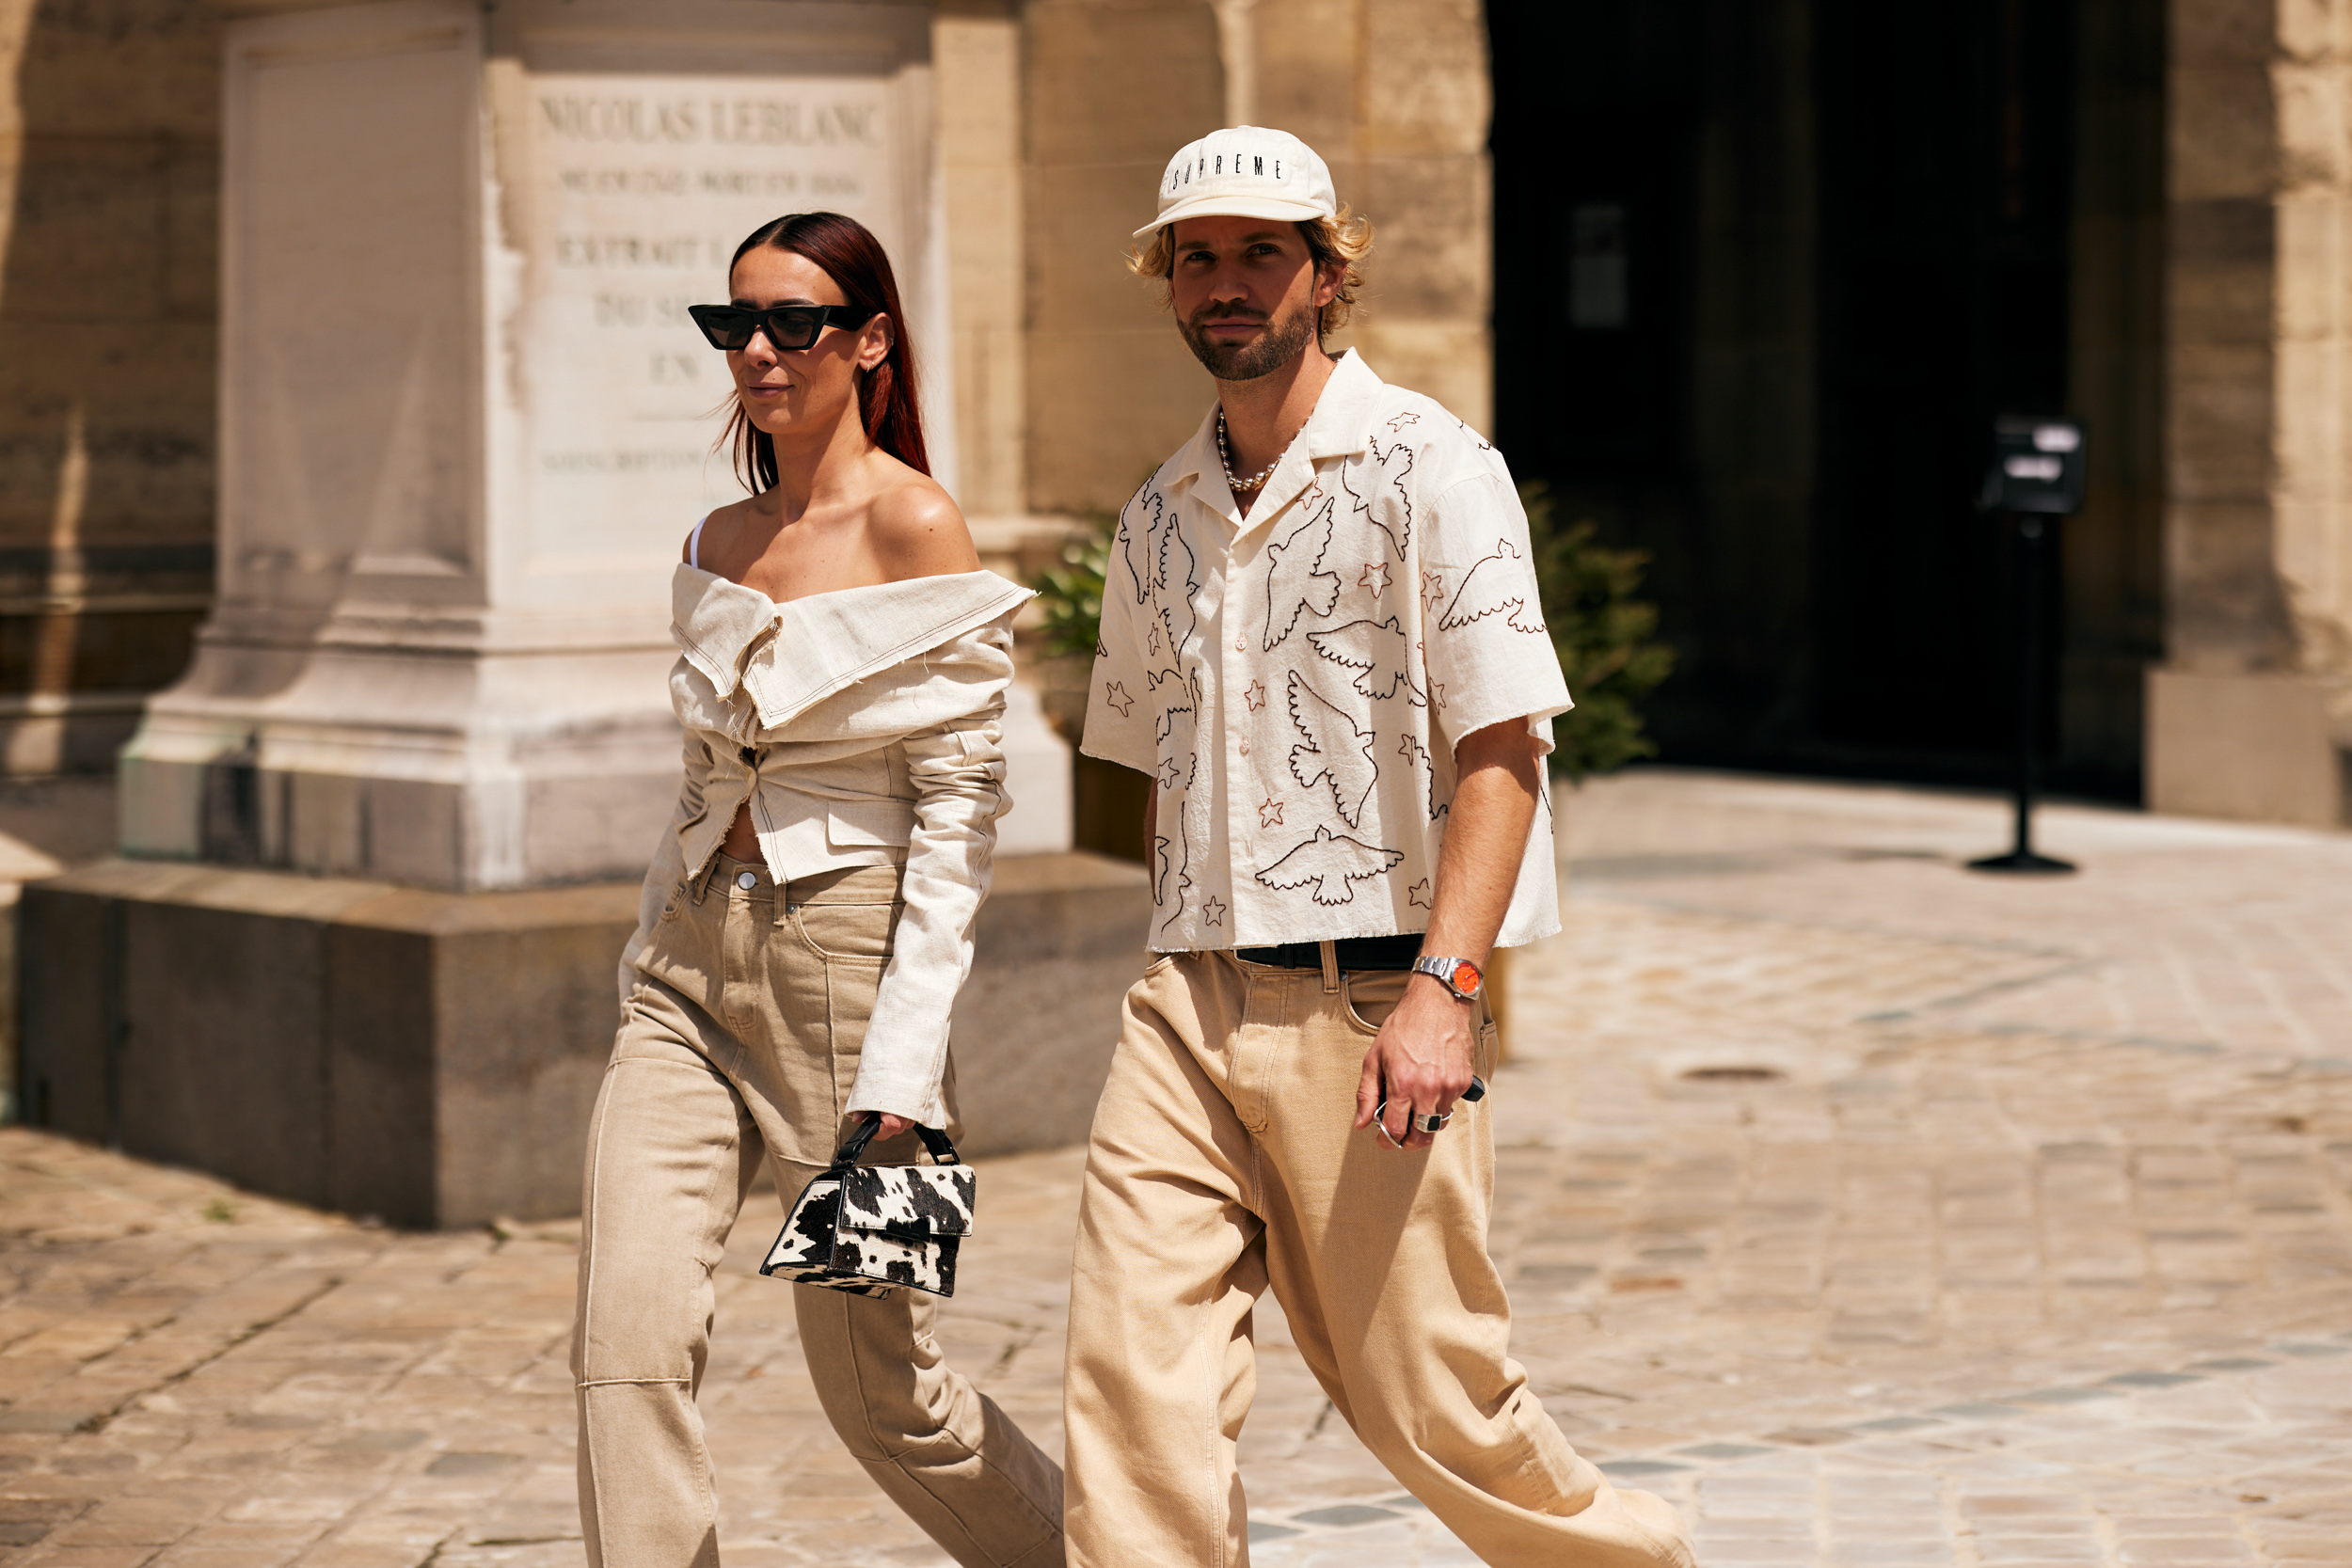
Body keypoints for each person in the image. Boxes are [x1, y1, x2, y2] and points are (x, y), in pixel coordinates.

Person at [1064, 128, 1698, 1566]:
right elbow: (1161, 766)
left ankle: (1636, 1557)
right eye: (1198, 257)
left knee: (1429, 1401)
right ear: (1168, 283)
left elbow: (1505, 753)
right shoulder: (1155, 518)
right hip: (1187, 1005)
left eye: (1260, 253)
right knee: (1131, 1379)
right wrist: (1180, 949)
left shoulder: (1434, 469)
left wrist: (1443, 992)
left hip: (1369, 1007)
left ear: (1327, 276)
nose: (1225, 283)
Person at [572, 210, 1064, 1568]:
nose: (761, 351)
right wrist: (645, 958)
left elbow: (960, 819)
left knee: (886, 1398)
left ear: (871, 340)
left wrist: (905, 1074)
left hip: (854, 997)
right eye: (736, 323)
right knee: (622, 1348)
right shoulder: (719, 535)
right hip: (682, 983)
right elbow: (702, 779)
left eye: (797, 323)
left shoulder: (918, 521)